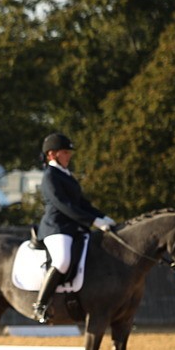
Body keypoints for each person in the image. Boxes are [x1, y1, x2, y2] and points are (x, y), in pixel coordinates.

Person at [33, 132, 116, 323]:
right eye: (65, 152)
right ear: (52, 154)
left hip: (74, 228)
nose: (69, 156)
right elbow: (63, 205)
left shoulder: (67, 175)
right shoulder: (50, 176)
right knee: (62, 261)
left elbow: (81, 203)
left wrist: (103, 217)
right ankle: (41, 304)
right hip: (57, 228)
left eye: (69, 152)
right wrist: (92, 222)